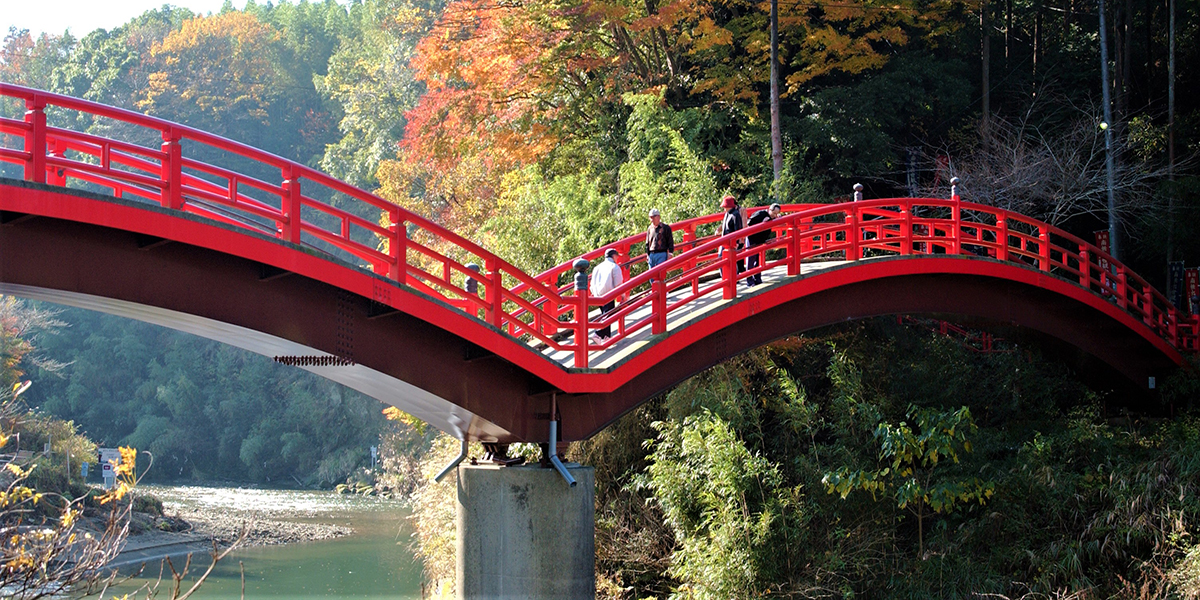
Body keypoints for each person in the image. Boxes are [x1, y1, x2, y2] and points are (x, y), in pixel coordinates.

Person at [589, 248, 623, 341]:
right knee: (608, 315)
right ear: (614, 256)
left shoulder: (597, 267)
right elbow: (618, 283)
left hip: (598, 294)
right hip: (609, 294)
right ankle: (598, 333)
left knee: (605, 314)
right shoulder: (614, 266)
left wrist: (594, 292)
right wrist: (622, 295)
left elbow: (592, 283)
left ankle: (606, 337)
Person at [745, 203, 781, 286]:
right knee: (751, 259)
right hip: (752, 238)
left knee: (758, 260)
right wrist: (762, 222)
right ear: (769, 210)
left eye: (777, 213)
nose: (775, 215)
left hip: (761, 239)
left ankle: (757, 278)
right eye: (774, 213)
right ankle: (749, 280)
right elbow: (749, 224)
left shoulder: (773, 217)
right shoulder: (760, 214)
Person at [719, 195, 745, 279]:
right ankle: (726, 277)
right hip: (724, 241)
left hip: (731, 242)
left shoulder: (735, 214)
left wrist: (737, 242)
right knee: (721, 258)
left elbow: (738, 229)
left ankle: (733, 277)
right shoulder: (727, 213)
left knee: (730, 260)